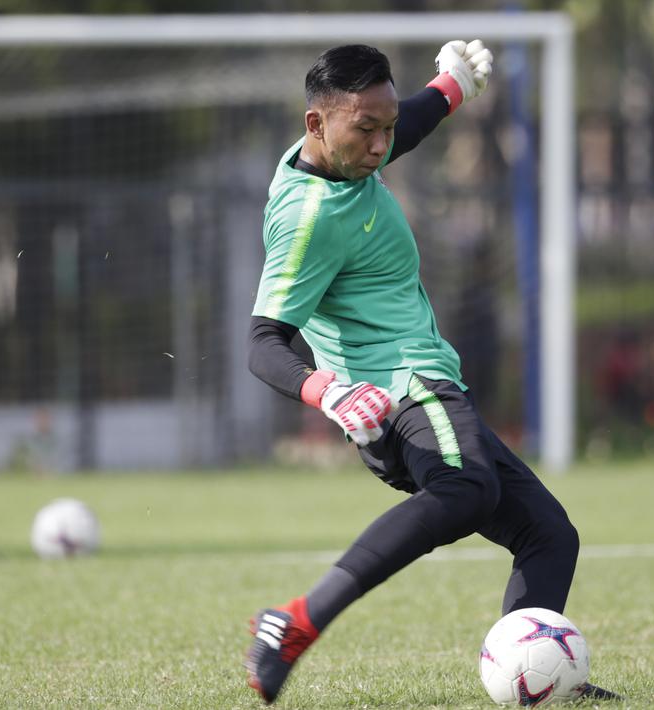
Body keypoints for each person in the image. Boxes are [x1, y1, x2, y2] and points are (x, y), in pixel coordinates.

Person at [243, 43, 619, 704]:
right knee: (468, 487)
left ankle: (536, 676)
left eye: (385, 127)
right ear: (315, 124)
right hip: (401, 392)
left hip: (418, 389)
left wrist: (451, 86)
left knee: (547, 534)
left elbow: (404, 126)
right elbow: (262, 342)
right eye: (367, 129)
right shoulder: (308, 218)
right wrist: (326, 390)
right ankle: (297, 621)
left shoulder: (343, 153)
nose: (380, 144)